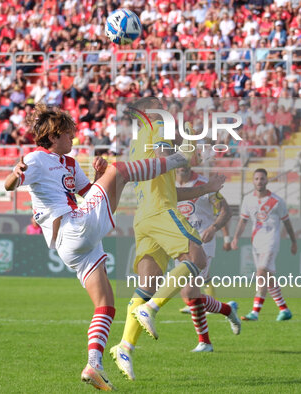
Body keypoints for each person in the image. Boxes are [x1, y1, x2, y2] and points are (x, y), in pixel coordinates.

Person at [4, 104, 195, 391]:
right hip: (72, 228)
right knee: (120, 171)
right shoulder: (36, 159)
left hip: (77, 242)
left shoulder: (68, 163)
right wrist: (15, 171)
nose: (74, 139)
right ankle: (180, 160)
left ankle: (94, 365)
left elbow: (87, 192)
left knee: (105, 305)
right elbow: (10, 184)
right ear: (54, 136)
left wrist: (98, 176)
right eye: (69, 134)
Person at [110, 97, 239, 381]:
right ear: (150, 111)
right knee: (197, 257)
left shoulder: (134, 142)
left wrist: (206, 186)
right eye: (160, 104)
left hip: (143, 215)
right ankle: (151, 309)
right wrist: (189, 141)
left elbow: (169, 185)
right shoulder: (157, 125)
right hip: (160, 212)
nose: (166, 107)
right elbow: (175, 161)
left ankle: (125, 346)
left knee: (147, 284)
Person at [231, 168, 297, 321]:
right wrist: (235, 238)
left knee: (260, 274)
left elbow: (287, 222)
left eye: (262, 178)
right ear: (253, 181)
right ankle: (284, 309)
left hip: (271, 241)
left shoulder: (277, 201)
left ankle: (255, 312)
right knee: (268, 277)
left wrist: (293, 241)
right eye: (256, 179)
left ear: (267, 180)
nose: (259, 181)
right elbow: (243, 221)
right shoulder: (248, 200)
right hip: (256, 242)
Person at [175, 164, 234, 316]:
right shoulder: (168, 184)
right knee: (187, 294)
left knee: (190, 291)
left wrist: (214, 228)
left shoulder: (204, 185)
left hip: (202, 243)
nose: (183, 166)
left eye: (187, 161)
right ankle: (226, 308)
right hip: (178, 244)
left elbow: (225, 210)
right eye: (180, 161)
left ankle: (204, 338)